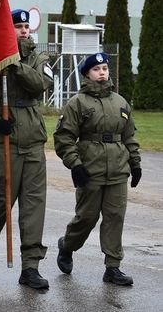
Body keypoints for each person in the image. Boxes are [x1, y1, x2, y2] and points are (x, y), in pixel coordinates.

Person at [0, 9, 53, 289]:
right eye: (17, 26)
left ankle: (30, 267)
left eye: (27, 26)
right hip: (4, 140)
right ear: (6, 30)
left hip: (34, 141)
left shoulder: (38, 58)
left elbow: (42, 84)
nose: (24, 31)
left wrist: (15, 64)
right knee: (0, 203)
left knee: (34, 205)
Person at [54, 52, 141, 286]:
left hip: (117, 170)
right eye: (96, 69)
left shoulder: (120, 102)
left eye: (104, 68)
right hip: (89, 169)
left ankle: (113, 267)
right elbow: (64, 138)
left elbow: (129, 136)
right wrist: (75, 164)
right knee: (87, 218)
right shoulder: (77, 103)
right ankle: (67, 245)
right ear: (86, 74)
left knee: (115, 216)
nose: (102, 72)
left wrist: (135, 163)